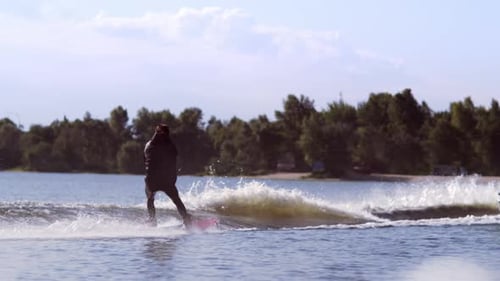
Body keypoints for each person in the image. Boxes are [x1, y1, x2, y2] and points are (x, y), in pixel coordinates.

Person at [144, 124, 191, 226]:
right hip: (165, 180)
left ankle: (152, 220)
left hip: (152, 179)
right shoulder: (170, 146)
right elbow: (174, 162)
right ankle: (186, 219)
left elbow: (146, 161)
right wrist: (173, 179)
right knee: (176, 200)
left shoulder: (149, 145)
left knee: (150, 198)